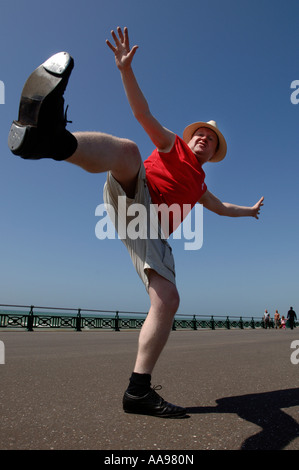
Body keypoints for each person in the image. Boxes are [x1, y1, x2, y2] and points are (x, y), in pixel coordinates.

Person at [8, 27, 264, 418]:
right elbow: (142, 112)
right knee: (128, 150)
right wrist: (126, 70)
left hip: (150, 229)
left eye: (211, 141)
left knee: (168, 300)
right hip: (133, 195)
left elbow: (222, 208)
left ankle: (138, 391)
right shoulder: (172, 144)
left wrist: (249, 212)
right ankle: (49, 141)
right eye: (201, 135)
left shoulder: (200, 184)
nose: (204, 140)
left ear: (213, 154)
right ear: (190, 136)